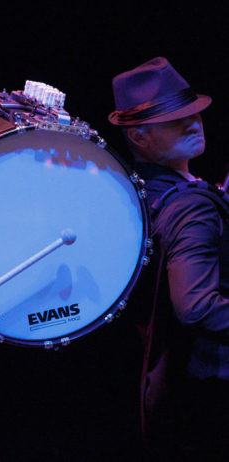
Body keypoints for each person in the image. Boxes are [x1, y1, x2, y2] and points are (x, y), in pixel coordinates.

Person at [109, 57, 229, 461]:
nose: (194, 124)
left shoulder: (135, 194)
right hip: (212, 393)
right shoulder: (190, 205)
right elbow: (197, 308)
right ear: (139, 136)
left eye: (194, 112)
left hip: (170, 398)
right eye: (176, 120)